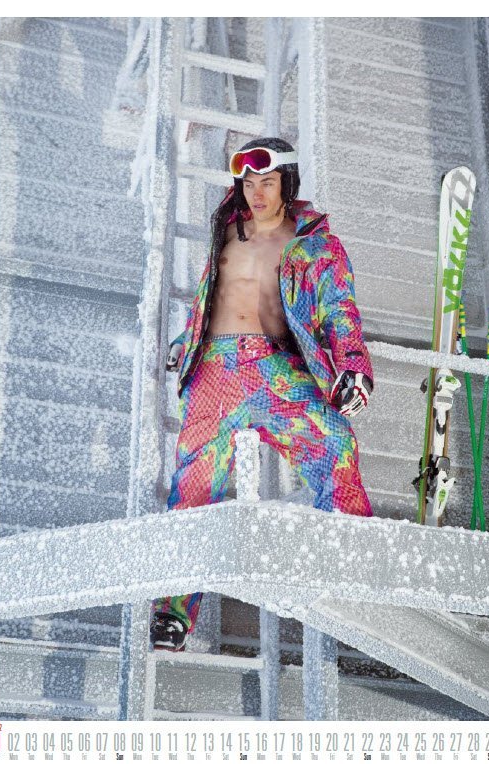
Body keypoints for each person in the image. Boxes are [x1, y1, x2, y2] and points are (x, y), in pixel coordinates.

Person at [150, 137, 374, 651]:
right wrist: (187, 340)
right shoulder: (227, 229)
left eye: (267, 182)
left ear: (287, 183)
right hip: (216, 370)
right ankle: (174, 612)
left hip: (277, 370)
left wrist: (353, 367)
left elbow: (340, 311)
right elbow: (214, 298)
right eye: (248, 183)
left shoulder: (316, 244)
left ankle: (357, 570)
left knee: (334, 445)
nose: (256, 193)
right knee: (195, 485)